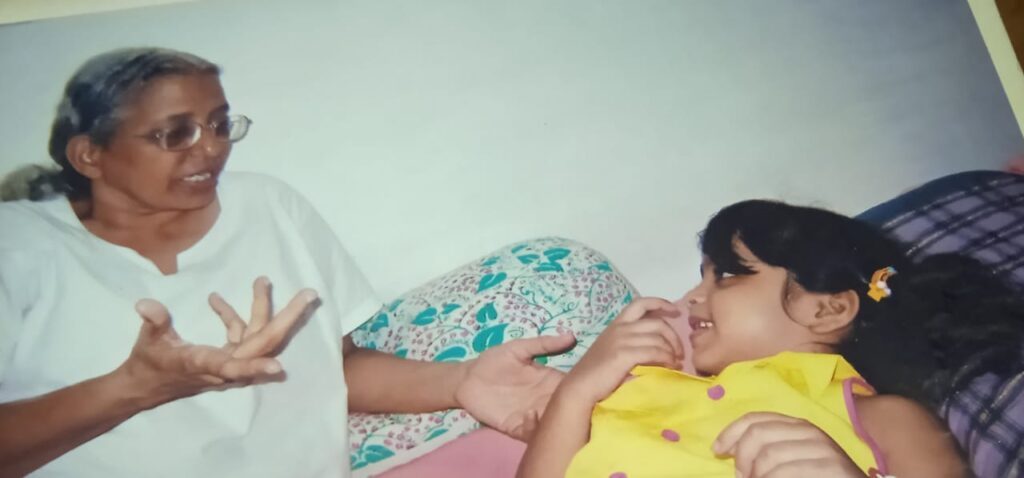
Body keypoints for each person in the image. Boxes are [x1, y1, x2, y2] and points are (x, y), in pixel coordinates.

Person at [0, 47, 574, 477]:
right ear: (90, 155)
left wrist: (463, 380)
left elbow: (337, 367)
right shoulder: (19, 244)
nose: (212, 148)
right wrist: (135, 387)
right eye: (176, 133)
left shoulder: (269, 206)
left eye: (220, 124)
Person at [518, 200, 1024, 478]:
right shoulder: (645, 390)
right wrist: (577, 389)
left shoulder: (881, 414)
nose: (691, 297)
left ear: (827, 308)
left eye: (727, 275)